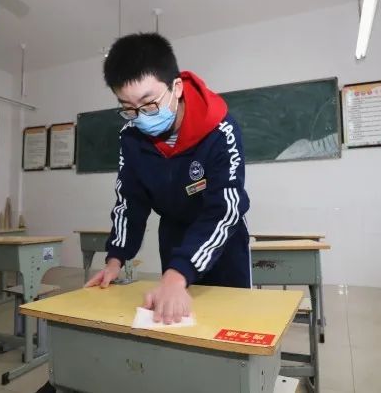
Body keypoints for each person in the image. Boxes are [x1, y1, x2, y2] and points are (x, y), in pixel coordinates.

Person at [36, 32, 250, 393]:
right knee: (178, 336)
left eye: (149, 104)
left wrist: (178, 276)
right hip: (175, 236)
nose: (140, 117)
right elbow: (129, 200)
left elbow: (224, 210)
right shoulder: (131, 137)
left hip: (222, 242)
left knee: (228, 344)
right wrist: (115, 260)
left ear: (176, 88)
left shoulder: (220, 130)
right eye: (128, 107)